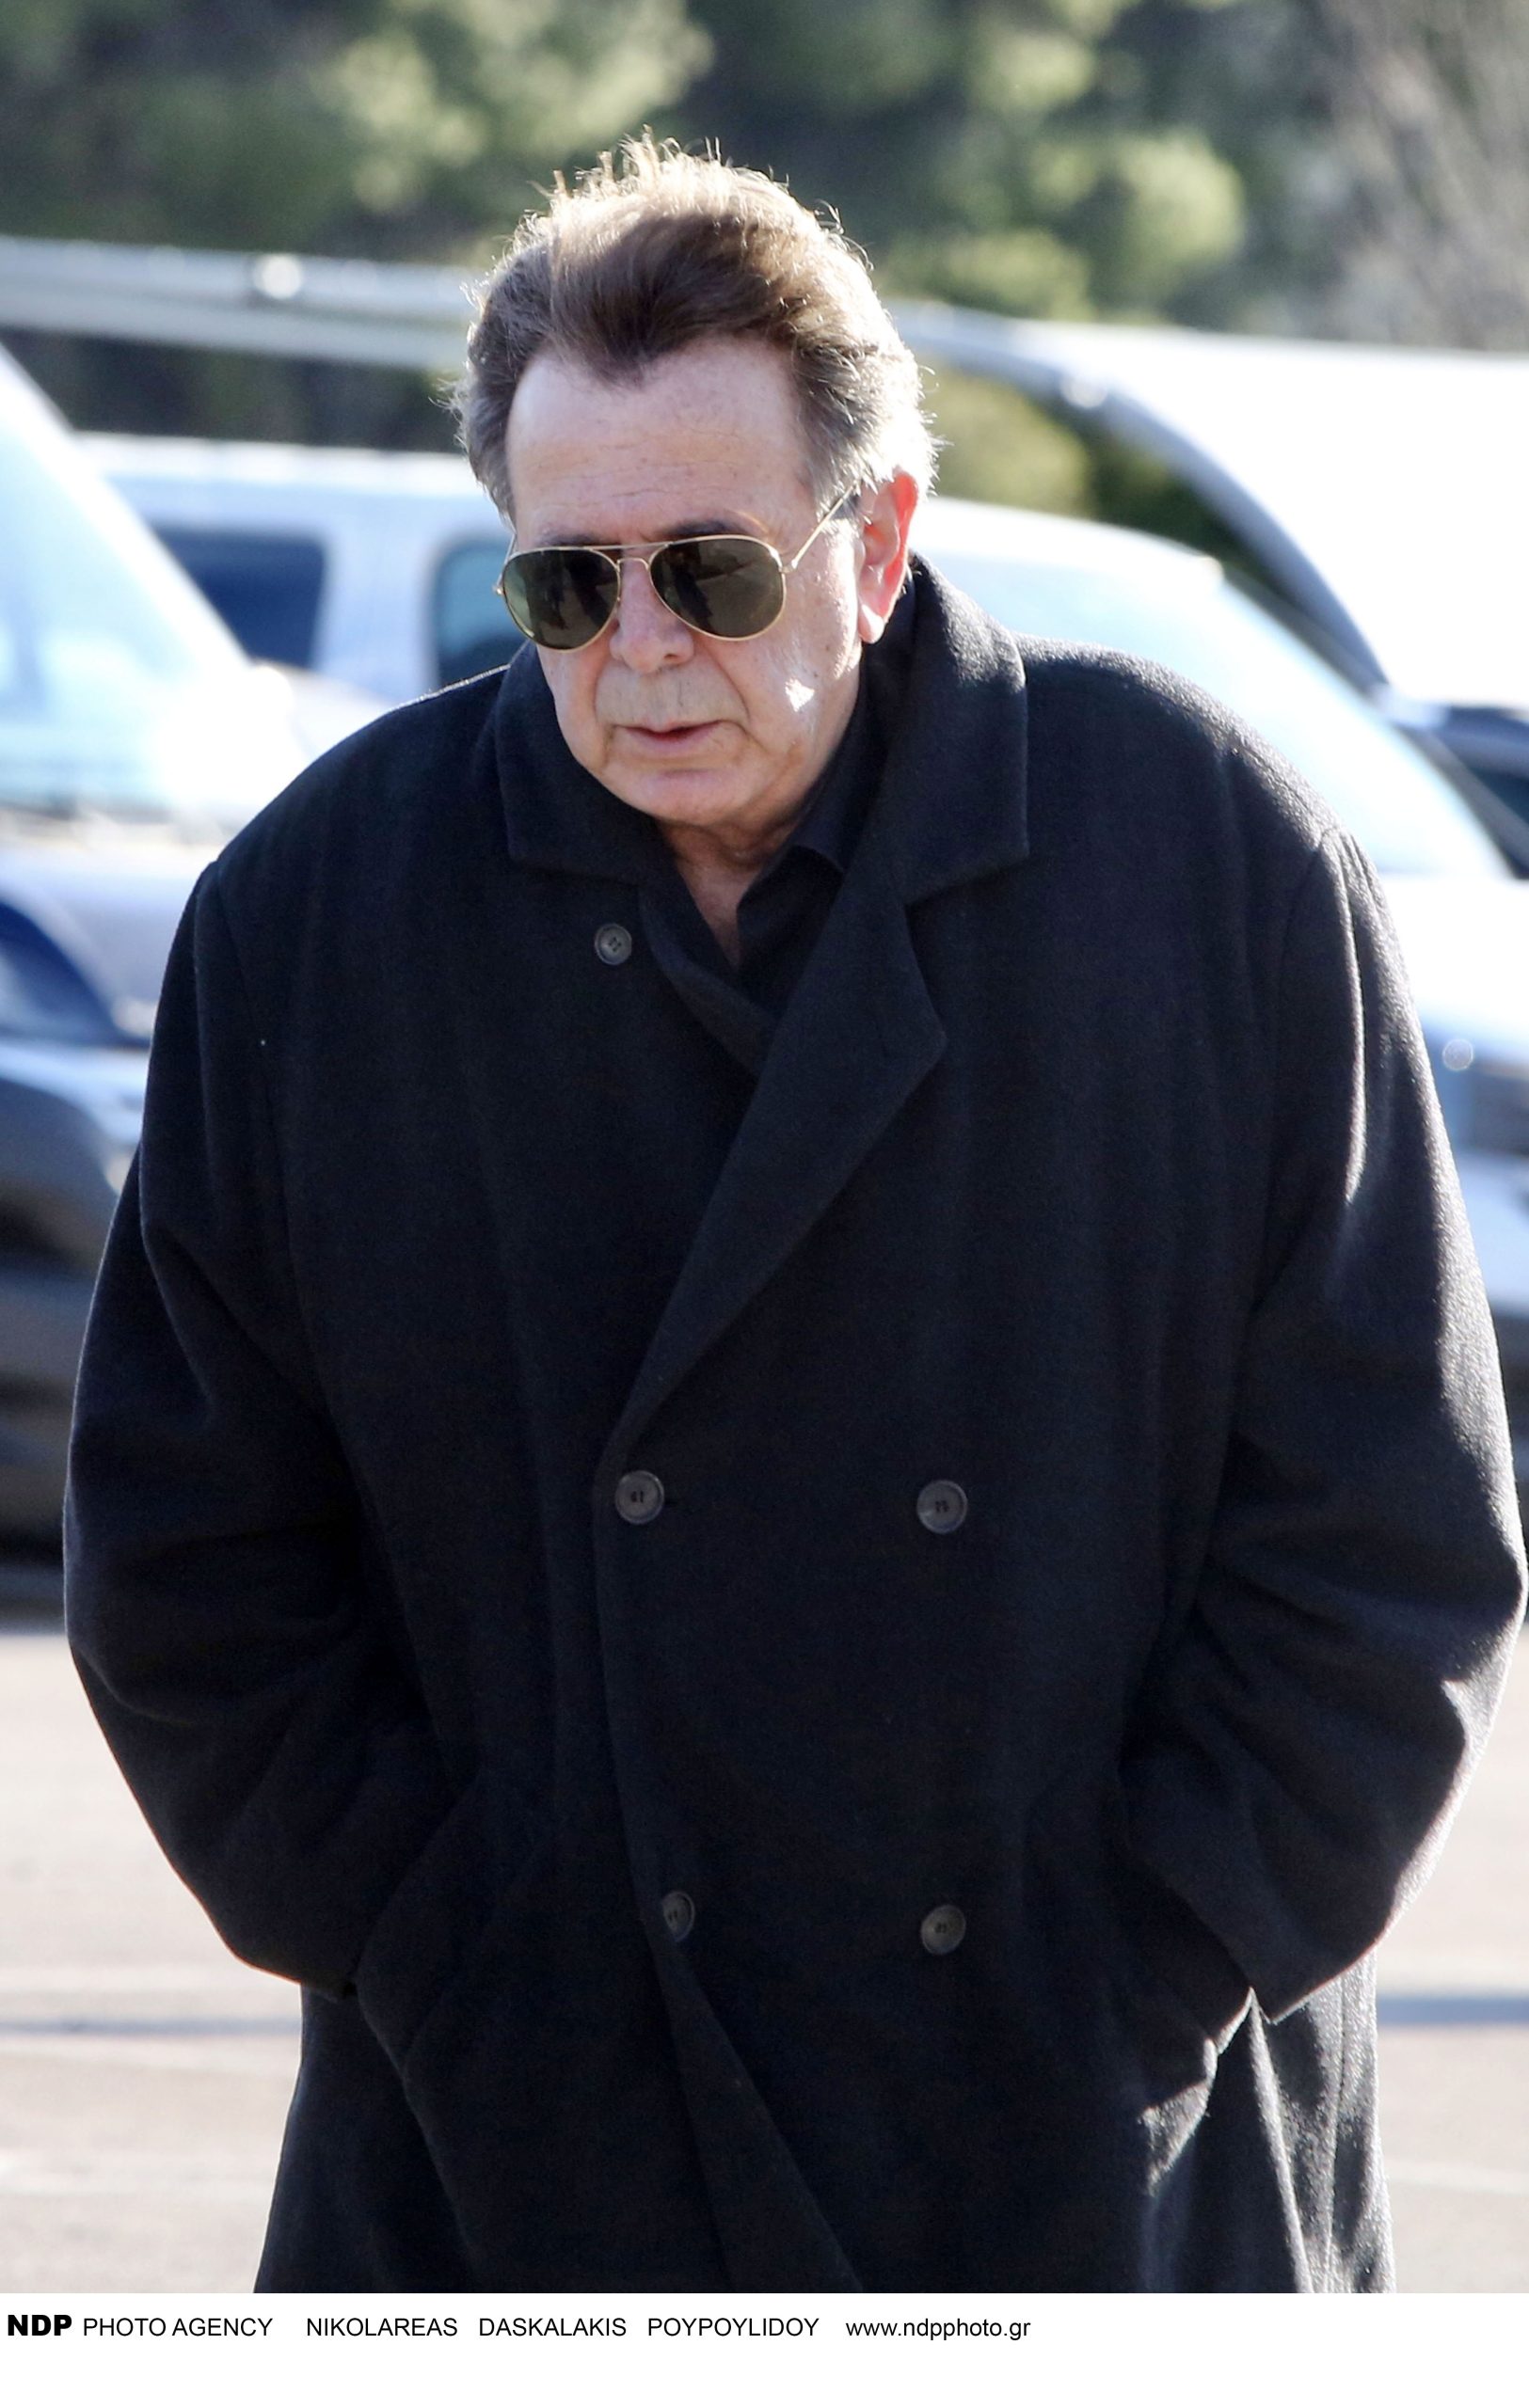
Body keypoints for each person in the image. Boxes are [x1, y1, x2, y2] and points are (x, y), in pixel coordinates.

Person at [66, 138, 1525, 2297]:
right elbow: (191, 1559)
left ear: (884, 537)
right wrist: (447, 1950)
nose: (643, 648)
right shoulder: (320, 916)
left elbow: (1387, 1529)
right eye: (568, 588)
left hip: (1111, 2137)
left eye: (713, 574)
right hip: (525, 2142)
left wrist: (1151, 1963)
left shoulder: (1199, 857)